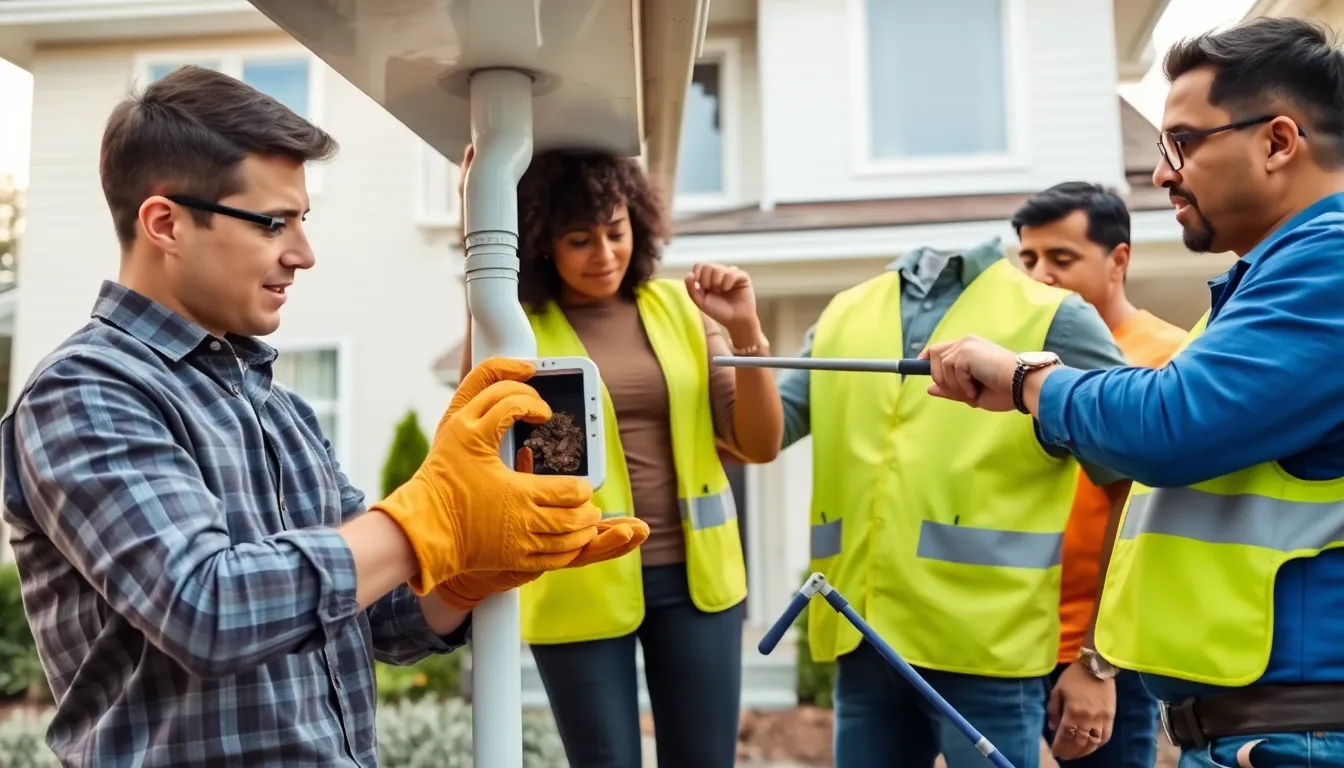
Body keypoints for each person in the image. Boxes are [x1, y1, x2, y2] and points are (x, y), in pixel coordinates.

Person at [0, 65, 648, 767]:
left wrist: (465, 572)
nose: (303, 254)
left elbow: (375, 620)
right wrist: (428, 518)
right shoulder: (86, 392)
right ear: (166, 223)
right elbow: (207, 608)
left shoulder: (281, 408)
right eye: (274, 222)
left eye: (303, 221)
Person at [921, 16, 1344, 768]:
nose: (1162, 173)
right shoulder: (1273, 280)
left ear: (1278, 142)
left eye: (1183, 142)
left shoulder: (1329, 267)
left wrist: (1027, 379)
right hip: (1259, 728)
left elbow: (1173, 423)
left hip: (1300, 731)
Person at [457, 145, 784, 767]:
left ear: (638, 222)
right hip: (580, 576)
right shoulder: (520, 323)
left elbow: (759, 443)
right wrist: (476, 219)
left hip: (698, 584)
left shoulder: (682, 309)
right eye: (580, 239)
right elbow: (476, 431)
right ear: (544, 243)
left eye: (616, 232)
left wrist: (746, 331)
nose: (605, 255)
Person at [776, 234, 1132, 768]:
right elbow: (756, 434)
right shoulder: (843, 314)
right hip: (863, 640)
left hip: (989, 651)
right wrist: (733, 334)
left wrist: (1099, 659)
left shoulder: (1054, 316)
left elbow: (1132, 483)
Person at [1013, 181, 1186, 768]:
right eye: (1029, 258)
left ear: (1119, 260)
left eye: (1062, 259)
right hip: (1010, 643)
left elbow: (1155, 525)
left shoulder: (1171, 362)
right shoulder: (1013, 364)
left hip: (1105, 655)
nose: (1040, 276)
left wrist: (1096, 659)